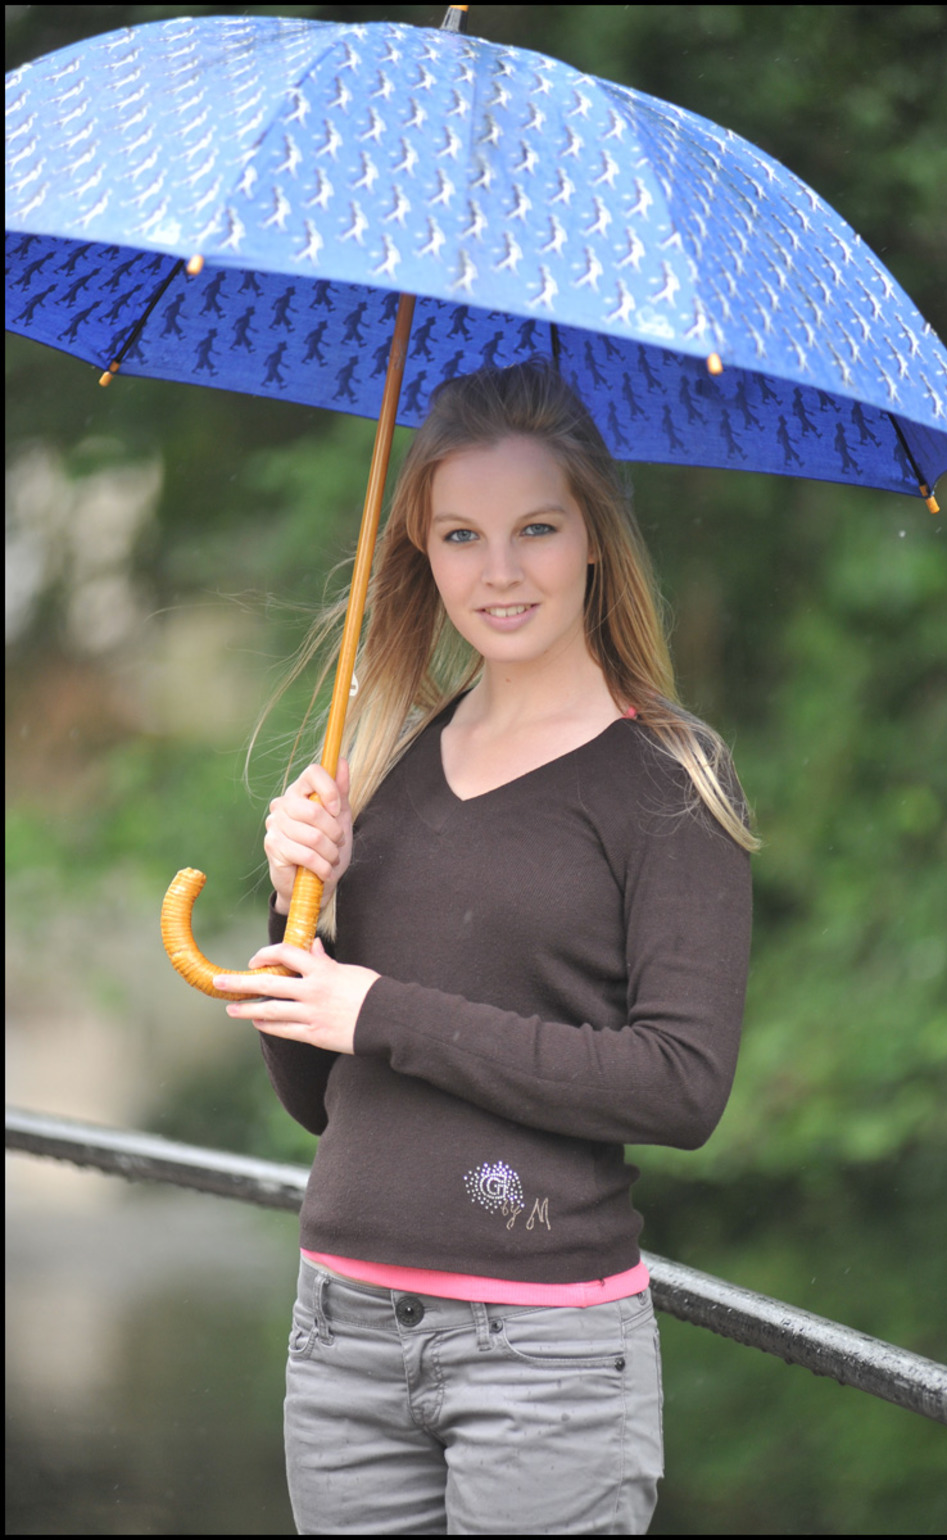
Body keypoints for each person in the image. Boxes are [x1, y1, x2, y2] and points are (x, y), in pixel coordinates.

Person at [215, 359, 755, 1536]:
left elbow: (680, 1084)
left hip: (545, 1361)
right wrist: (293, 904)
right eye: (460, 534)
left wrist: (378, 1007)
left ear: (596, 539)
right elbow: (319, 1098)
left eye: (536, 529)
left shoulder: (669, 782)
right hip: (343, 1337)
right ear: (419, 545)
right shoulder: (386, 764)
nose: (499, 572)